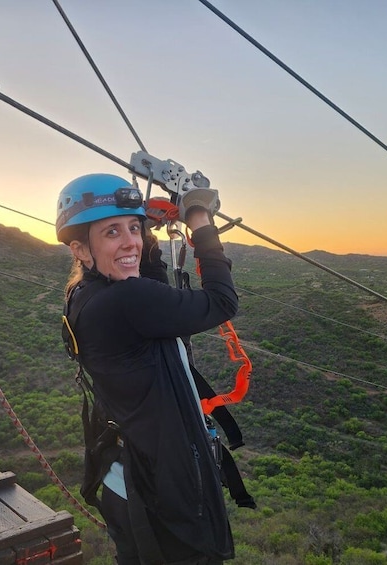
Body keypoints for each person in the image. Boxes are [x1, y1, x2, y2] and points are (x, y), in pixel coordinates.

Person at [57, 173, 246, 564]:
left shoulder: (83, 296)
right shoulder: (128, 301)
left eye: (134, 228)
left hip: (125, 479)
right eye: (112, 232)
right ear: (81, 249)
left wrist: (148, 240)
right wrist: (198, 217)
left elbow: (145, 280)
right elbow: (221, 301)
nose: (130, 241)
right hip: (160, 492)